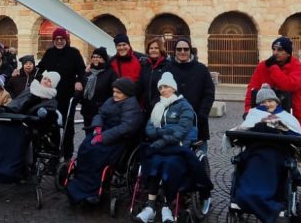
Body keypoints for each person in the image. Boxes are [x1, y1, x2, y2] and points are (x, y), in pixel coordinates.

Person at [134, 73, 212, 223]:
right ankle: (150, 207)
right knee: (153, 163)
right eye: (160, 87)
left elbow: (182, 130)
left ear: (173, 88)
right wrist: (165, 132)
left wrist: (162, 139)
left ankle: (167, 206)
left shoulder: (184, 106)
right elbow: (149, 129)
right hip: (160, 147)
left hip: (178, 147)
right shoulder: (158, 106)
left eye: (166, 87)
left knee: (170, 165)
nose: (162, 90)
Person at [229, 84, 301, 223]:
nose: (267, 104)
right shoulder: (254, 115)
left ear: (277, 102)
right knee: (250, 165)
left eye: (270, 101)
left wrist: (279, 126)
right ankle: (254, 199)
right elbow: (244, 129)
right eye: (263, 102)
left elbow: (298, 136)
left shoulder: (287, 117)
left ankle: (267, 199)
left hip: (278, 152)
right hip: (256, 152)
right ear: (259, 104)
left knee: (275, 167)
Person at [65, 77, 143, 205]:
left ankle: (91, 190)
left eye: (118, 92)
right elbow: (100, 114)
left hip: (118, 138)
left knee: (97, 154)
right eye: (114, 91)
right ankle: (79, 184)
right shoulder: (111, 100)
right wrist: (98, 127)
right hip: (103, 130)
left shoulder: (132, 106)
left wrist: (104, 136)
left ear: (127, 93)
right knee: (85, 148)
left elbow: (127, 127)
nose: (115, 95)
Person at [0, 72, 60, 185]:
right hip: (17, 121)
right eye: (44, 78)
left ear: (53, 84)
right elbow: (15, 104)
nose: (45, 81)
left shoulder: (51, 99)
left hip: (31, 127)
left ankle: (13, 170)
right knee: (4, 130)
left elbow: (49, 115)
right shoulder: (30, 90)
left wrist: (41, 115)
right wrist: (4, 109)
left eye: (49, 81)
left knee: (19, 137)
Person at [35, 27, 86, 161]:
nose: (59, 41)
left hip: (68, 94)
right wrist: (30, 75)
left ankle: (68, 154)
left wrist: (79, 81)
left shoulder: (74, 53)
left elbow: (81, 70)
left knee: (68, 125)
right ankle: (54, 152)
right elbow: (40, 68)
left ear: (66, 40)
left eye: (62, 39)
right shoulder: (49, 52)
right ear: (53, 40)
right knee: (53, 124)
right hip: (52, 95)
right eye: (57, 39)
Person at [244, 37, 301, 132]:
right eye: (274, 49)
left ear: (288, 53)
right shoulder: (263, 66)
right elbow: (252, 90)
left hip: (293, 116)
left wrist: (274, 69)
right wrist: (248, 111)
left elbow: (289, 86)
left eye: (280, 50)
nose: (275, 53)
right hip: (263, 116)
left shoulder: (297, 67)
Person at [168, 37, 215, 153]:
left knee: (199, 161)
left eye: (185, 49)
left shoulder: (201, 69)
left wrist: (202, 113)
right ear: (175, 51)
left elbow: (209, 93)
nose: (182, 52)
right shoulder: (167, 69)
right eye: (179, 49)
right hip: (174, 122)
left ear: (190, 51)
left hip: (198, 121)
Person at [80, 47, 115, 130]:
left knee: (98, 136)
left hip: (102, 111)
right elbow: (82, 88)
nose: (96, 59)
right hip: (87, 111)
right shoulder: (88, 73)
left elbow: (113, 91)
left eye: (99, 57)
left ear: (104, 59)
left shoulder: (110, 73)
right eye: (94, 57)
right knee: (88, 135)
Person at [137, 37, 173, 114]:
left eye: (156, 48)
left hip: (162, 109)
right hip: (146, 110)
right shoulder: (145, 66)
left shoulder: (168, 66)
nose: (153, 50)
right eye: (151, 48)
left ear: (161, 50)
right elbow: (140, 87)